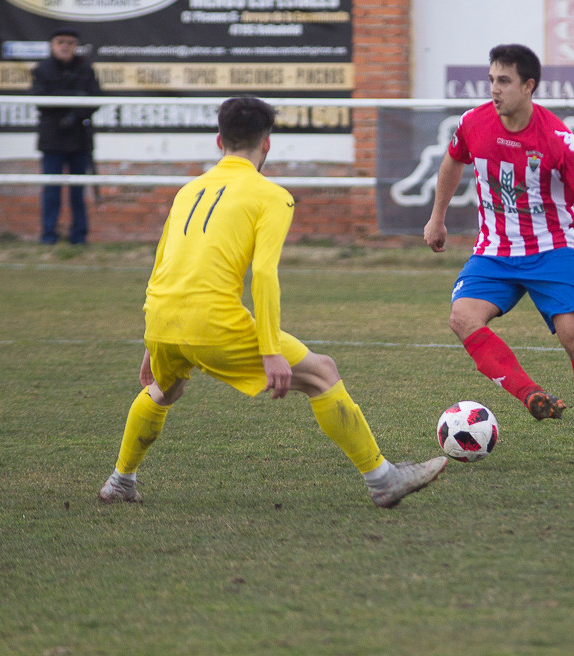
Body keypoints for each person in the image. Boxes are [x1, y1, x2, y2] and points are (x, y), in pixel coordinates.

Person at [99, 97, 447, 508]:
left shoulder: (187, 191)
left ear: (218, 141)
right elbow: (263, 275)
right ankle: (383, 479)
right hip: (214, 324)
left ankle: (121, 482)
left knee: (165, 389)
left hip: (162, 319)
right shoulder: (271, 196)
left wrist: (152, 341)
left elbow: (164, 265)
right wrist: (269, 352)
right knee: (322, 373)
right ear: (268, 145)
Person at [423, 44, 574, 466]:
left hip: (552, 249)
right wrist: (437, 218)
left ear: (529, 86)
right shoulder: (474, 123)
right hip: (495, 252)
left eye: (504, 81)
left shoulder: (558, 140)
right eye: (491, 80)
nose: (494, 90)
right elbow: (451, 162)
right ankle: (529, 394)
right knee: (462, 317)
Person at [31, 26, 100, 245]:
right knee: (52, 190)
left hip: (79, 138)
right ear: (52, 45)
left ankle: (79, 236)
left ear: (76, 46)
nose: (65, 46)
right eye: (60, 42)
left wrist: (75, 113)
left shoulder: (85, 69)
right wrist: (73, 99)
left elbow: (95, 99)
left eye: (70, 43)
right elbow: (41, 100)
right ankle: (48, 235)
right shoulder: (42, 69)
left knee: (77, 192)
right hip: (52, 138)